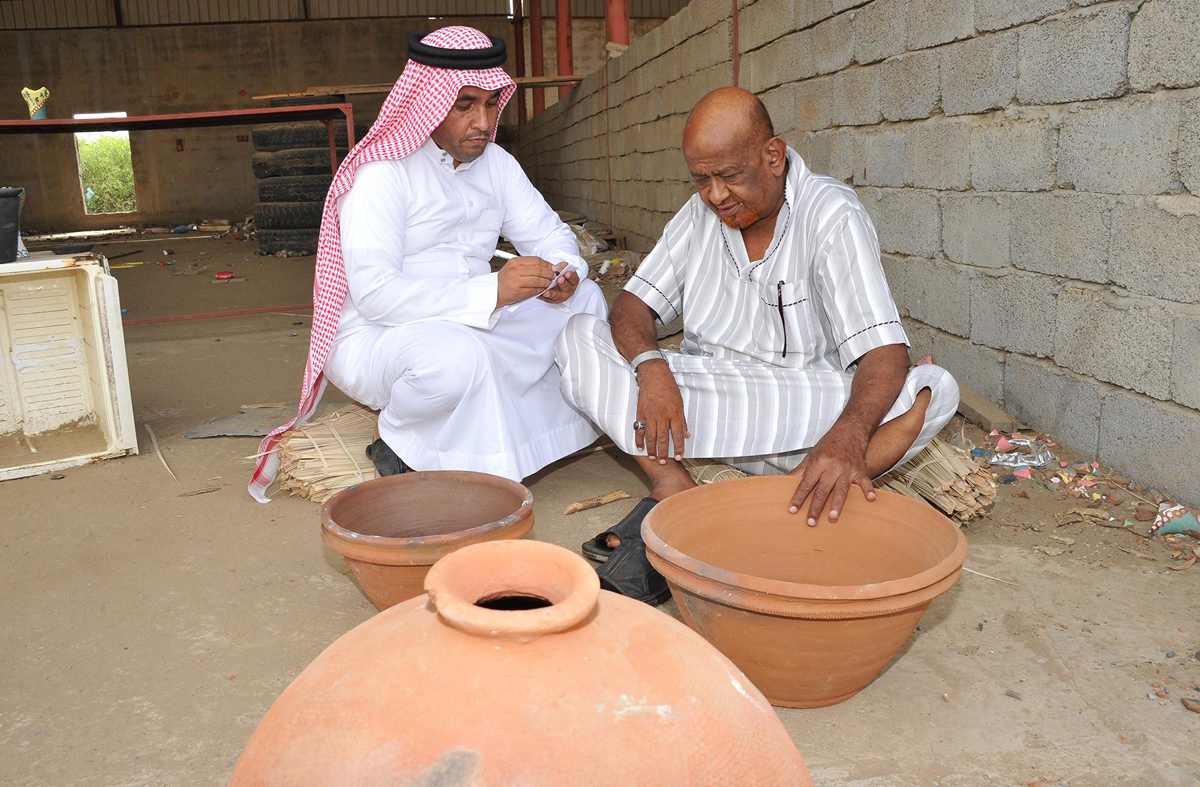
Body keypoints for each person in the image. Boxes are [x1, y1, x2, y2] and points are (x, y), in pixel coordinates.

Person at [555, 87, 960, 604]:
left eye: (728, 176)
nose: (716, 196)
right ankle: (675, 488)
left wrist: (847, 438)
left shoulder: (830, 214)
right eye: (702, 179)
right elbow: (632, 306)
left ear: (773, 156)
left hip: (802, 414)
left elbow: (883, 351)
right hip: (696, 410)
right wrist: (653, 368)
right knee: (576, 335)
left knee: (932, 390)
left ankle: (767, 500)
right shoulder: (698, 214)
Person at [249, 26, 605, 502]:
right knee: (455, 360)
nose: (482, 120)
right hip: (381, 334)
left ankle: (518, 443)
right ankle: (399, 443)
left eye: (491, 104)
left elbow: (550, 233)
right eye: (466, 105)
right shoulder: (382, 174)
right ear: (428, 105)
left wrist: (564, 271)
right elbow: (376, 296)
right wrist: (494, 292)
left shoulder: (496, 164)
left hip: (476, 318)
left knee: (586, 301)